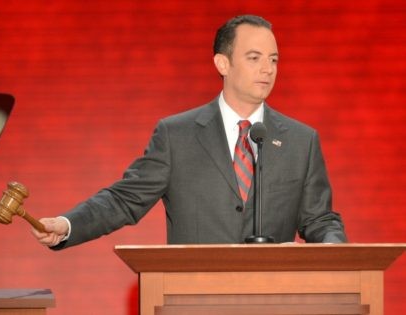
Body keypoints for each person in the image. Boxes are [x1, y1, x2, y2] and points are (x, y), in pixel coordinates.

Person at [32, 15, 347, 249]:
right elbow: (124, 200)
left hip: (276, 299)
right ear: (223, 63)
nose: (268, 69)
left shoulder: (301, 141)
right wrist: (68, 224)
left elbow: (319, 219)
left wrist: (333, 250)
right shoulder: (176, 136)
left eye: (274, 60)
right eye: (254, 58)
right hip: (194, 294)